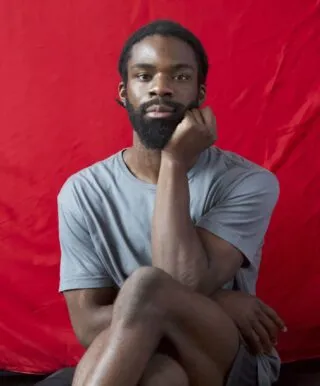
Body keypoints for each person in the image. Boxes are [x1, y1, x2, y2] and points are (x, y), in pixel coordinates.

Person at [58, 19, 286, 386]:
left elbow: (181, 281)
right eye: (144, 76)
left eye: (179, 77)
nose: (160, 88)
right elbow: (87, 327)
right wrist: (222, 300)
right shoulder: (83, 191)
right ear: (123, 92)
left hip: (227, 356)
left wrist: (174, 162)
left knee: (147, 286)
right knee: (161, 376)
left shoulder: (248, 182)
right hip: (135, 357)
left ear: (199, 93)